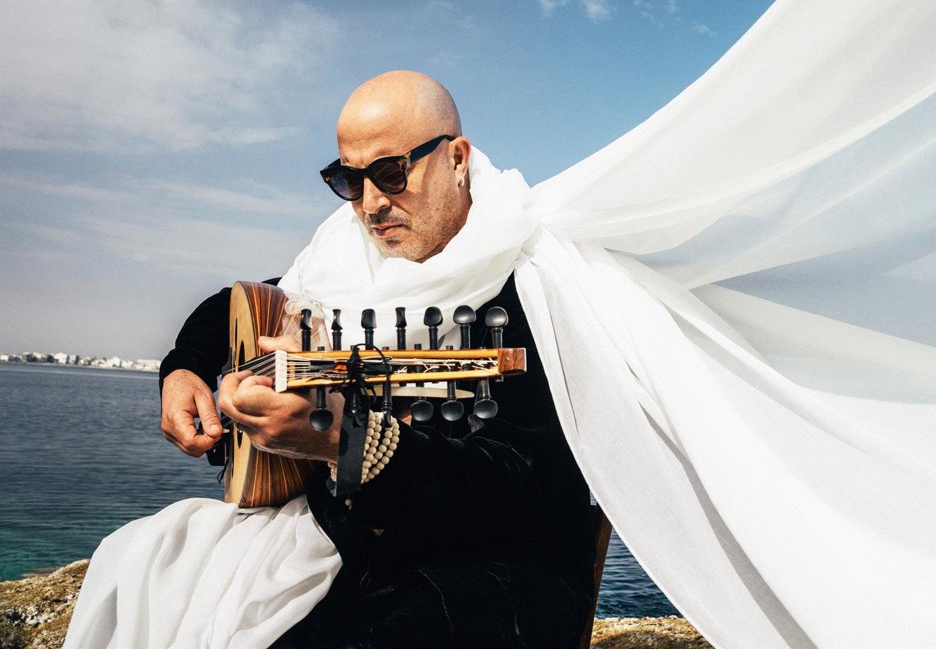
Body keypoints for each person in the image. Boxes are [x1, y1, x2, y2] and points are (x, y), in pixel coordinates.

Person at [71, 72, 598, 649]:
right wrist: (184, 369)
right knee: (141, 563)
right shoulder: (343, 265)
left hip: (494, 570)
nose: (371, 204)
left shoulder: (534, 282)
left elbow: (534, 482)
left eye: (392, 173)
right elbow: (235, 303)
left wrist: (349, 441)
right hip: (354, 544)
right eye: (350, 180)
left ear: (456, 159)